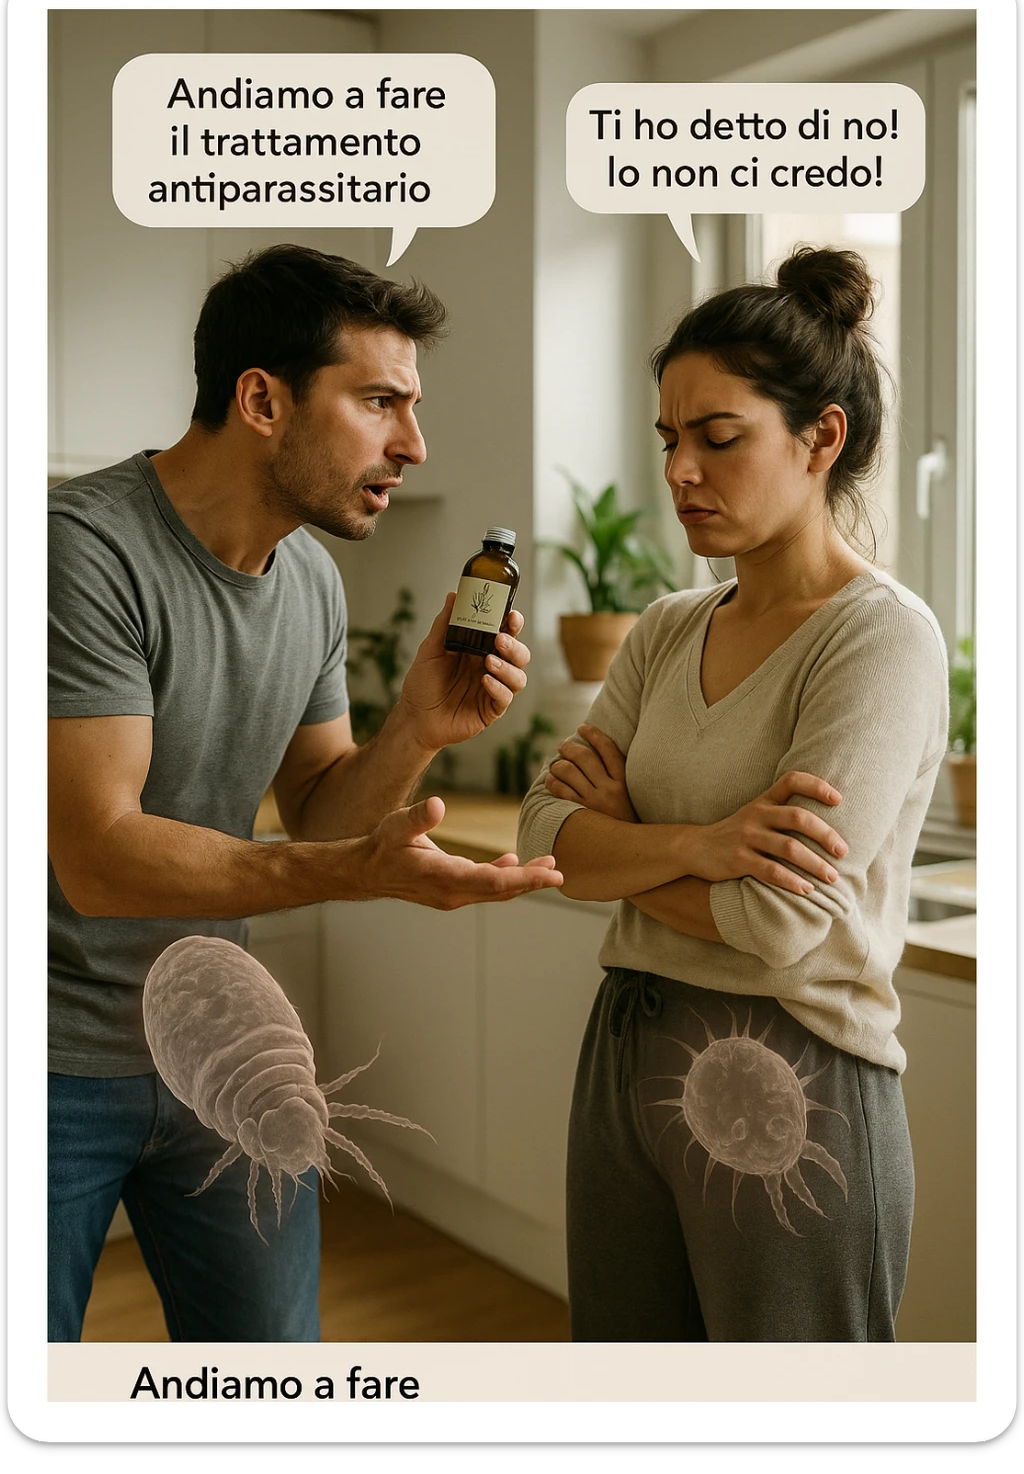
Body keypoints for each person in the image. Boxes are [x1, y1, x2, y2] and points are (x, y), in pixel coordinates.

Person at [48, 244, 561, 1344]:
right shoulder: (80, 552)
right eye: (380, 402)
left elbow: (322, 807)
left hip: (215, 1043)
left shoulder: (312, 581)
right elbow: (98, 857)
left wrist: (418, 725)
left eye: (411, 407)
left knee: (273, 1376)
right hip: (45, 1061)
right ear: (263, 400)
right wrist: (349, 873)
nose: (413, 445)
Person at [518, 247, 949, 1343]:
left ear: (821, 438)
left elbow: (775, 923)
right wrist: (706, 842)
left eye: (718, 439)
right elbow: (544, 837)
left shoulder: (879, 640)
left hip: (793, 1078)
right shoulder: (666, 626)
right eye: (669, 440)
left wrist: (623, 838)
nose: (679, 473)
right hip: (624, 1053)